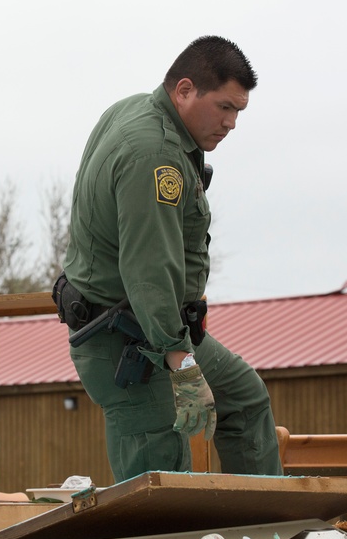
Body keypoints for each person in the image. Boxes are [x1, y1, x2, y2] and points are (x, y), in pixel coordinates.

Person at [53, 35, 282, 483]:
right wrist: (180, 361)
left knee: (244, 398)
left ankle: (262, 535)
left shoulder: (136, 110)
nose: (231, 123)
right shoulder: (155, 155)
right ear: (184, 90)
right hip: (129, 341)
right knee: (162, 481)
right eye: (224, 107)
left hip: (158, 328)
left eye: (238, 111)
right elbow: (148, 271)